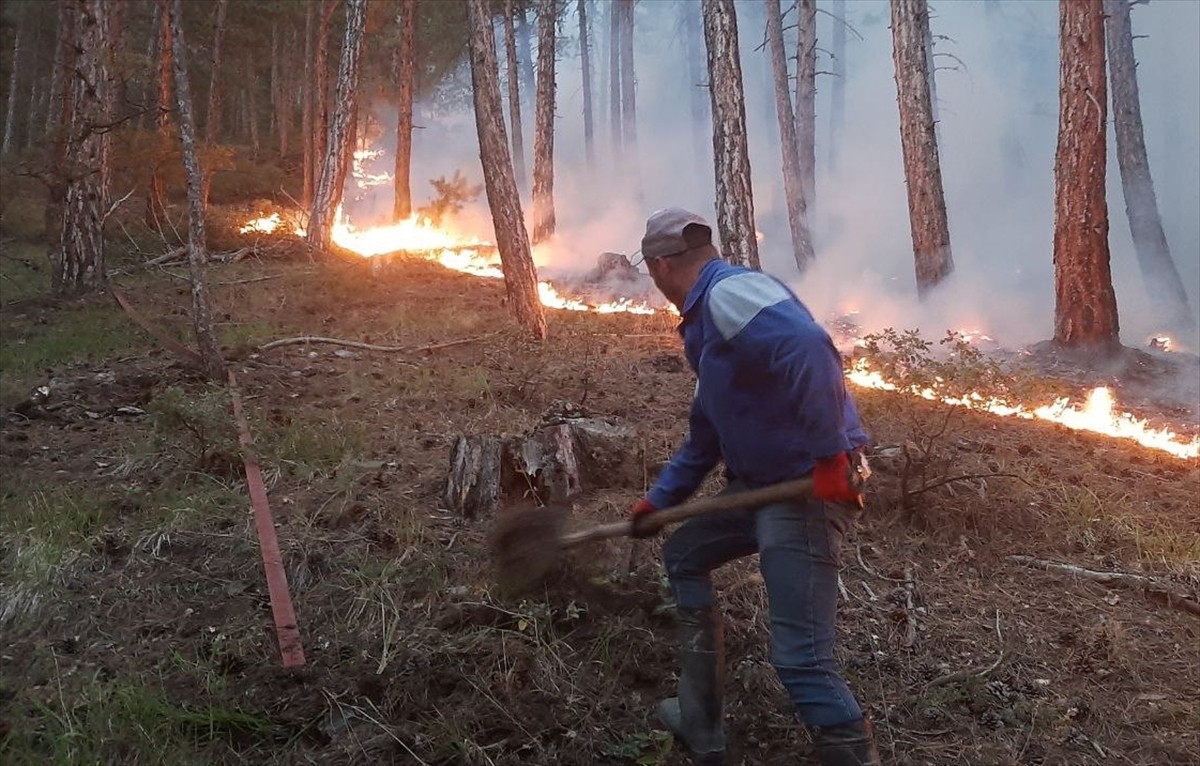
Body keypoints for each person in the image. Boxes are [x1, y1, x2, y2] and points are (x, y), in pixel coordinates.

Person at [628, 208, 881, 766]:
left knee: (801, 659)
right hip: (762, 484)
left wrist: (829, 457)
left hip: (805, 492)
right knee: (685, 554)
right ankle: (700, 722)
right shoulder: (708, 320)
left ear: (662, 266)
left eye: (650, 272)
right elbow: (707, 430)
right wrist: (660, 500)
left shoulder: (729, 295)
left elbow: (812, 350)